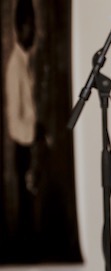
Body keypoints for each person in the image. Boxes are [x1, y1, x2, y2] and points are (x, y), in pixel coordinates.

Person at [5, 0, 37, 234]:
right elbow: (14, 120)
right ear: (19, 27)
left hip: (30, 147)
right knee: (27, 218)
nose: (32, 30)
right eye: (28, 25)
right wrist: (31, 138)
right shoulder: (14, 66)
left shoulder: (25, 62)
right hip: (23, 149)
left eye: (33, 24)